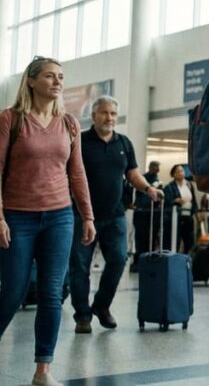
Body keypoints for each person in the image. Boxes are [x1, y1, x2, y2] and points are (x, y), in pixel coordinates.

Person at [0, 56, 96, 386]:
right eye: (50, 76)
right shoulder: (10, 119)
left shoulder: (68, 123)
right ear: (31, 81)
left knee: (52, 294)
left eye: (61, 77)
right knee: (12, 292)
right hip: (18, 217)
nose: (58, 82)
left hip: (59, 217)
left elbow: (77, 172)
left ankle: (43, 370)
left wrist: (87, 215)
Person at [70, 96, 162, 335]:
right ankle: (82, 315)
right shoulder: (80, 141)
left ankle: (101, 305)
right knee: (79, 267)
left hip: (115, 216)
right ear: (94, 115)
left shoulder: (124, 143)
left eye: (113, 113)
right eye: (104, 113)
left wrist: (148, 189)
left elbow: (132, 174)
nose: (109, 118)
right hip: (82, 216)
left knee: (119, 259)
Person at [131, 160, 164, 269]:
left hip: (153, 213)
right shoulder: (143, 179)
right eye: (156, 167)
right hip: (142, 212)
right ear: (150, 167)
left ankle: (148, 260)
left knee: (152, 238)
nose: (158, 170)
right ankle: (138, 262)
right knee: (140, 238)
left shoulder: (158, 180)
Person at [164, 164, 196, 253]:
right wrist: (175, 200)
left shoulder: (189, 185)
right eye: (178, 171)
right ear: (174, 174)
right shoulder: (170, 186)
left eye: (182, 171)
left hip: (188, 216)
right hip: (176, 217)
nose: (181, 173)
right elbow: (167, 201)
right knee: (175, 240)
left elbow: (194, 200)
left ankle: (187, 258)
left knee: (189, 241)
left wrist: (195, 211)